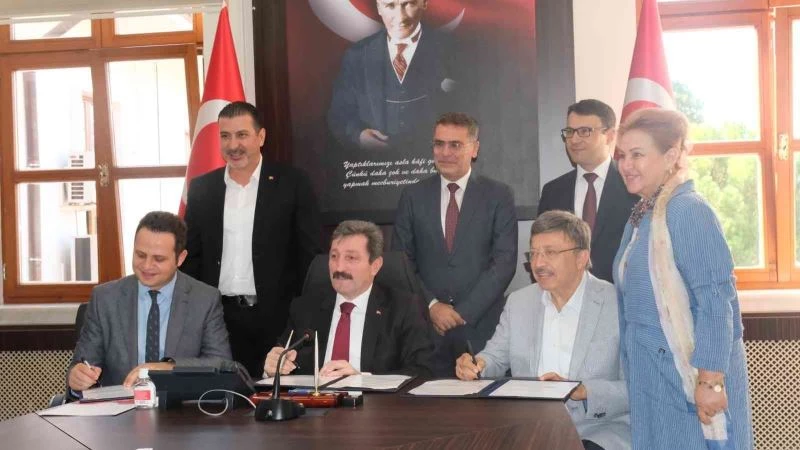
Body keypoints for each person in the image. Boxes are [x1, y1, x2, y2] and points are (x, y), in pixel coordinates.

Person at [614, 108, 753, 449]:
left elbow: (716, 302)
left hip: (691, 379)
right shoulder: (642, 215)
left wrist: (710, 382)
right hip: (653, 380)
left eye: (637, 154)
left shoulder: (688, 210)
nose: (626, 165)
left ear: (671, 155)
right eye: (621, 155)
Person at [456, 211, 631, 450]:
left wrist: (584, 390)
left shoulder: (618, 304)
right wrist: (476, 365)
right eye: (534, 253)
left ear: (581, 258)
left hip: (597, 430)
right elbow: (494, 357)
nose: (538, 264)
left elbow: (638, 386)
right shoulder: (519, 302)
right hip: (529, 426)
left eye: (550, 253)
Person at [182, 101, 322, 378]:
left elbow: (310, 256)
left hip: (277, 319)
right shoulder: (202, 189)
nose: (233, 145)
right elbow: (191, 259)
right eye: (225, 136)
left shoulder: (293, 184)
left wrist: (303, 314)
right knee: (222, 395)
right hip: (218, 320)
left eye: (242, 135)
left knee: (273, 395)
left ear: (261, 137)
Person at [392, 112, 517, 376]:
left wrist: (463, 312)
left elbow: (504, 262)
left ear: (474, 149)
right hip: (427, 331)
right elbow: (401, 262)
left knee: (482, 403)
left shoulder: (498, 195)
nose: (445, 152)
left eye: (455, 145)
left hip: (481, 330)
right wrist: (432, 306)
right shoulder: (412, 196)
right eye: (439, 144)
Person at [68, 212, 231, 392]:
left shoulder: (204, 299)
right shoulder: (105, 298)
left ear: (180, 258)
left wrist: (168, 367)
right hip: (120, 405)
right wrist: (78, 377)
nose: (146, 266)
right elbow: (83, 363)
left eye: (158, 259)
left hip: (180, 405)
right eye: (140, 255)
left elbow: (221, 364)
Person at [264, 220, 433, 378]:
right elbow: (283, 359)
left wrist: (362, 380)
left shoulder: (403, 308)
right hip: (315, 400)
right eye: (334, 256)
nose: (339, 267)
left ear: (375, 266)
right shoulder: (304, 309)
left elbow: (422, 371)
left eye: (351, 258)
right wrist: (273, 368)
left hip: (374, 400)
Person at [327, 0, 457, 157]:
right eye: (390, 5)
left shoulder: (454, 51)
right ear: (379, 7)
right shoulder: (357, 55)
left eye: (408, 4)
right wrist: (358, 135)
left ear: (424, 3)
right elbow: (339, 114)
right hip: (374, 165)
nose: (400, 17)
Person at [538, 99, 638, 283]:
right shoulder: (553, 191)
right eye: (570, 132)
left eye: (584, 131)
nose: (574, 140)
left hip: (621, 294)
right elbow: (543, 250)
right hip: (566, 295)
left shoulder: (633, 186)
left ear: (610, 136)